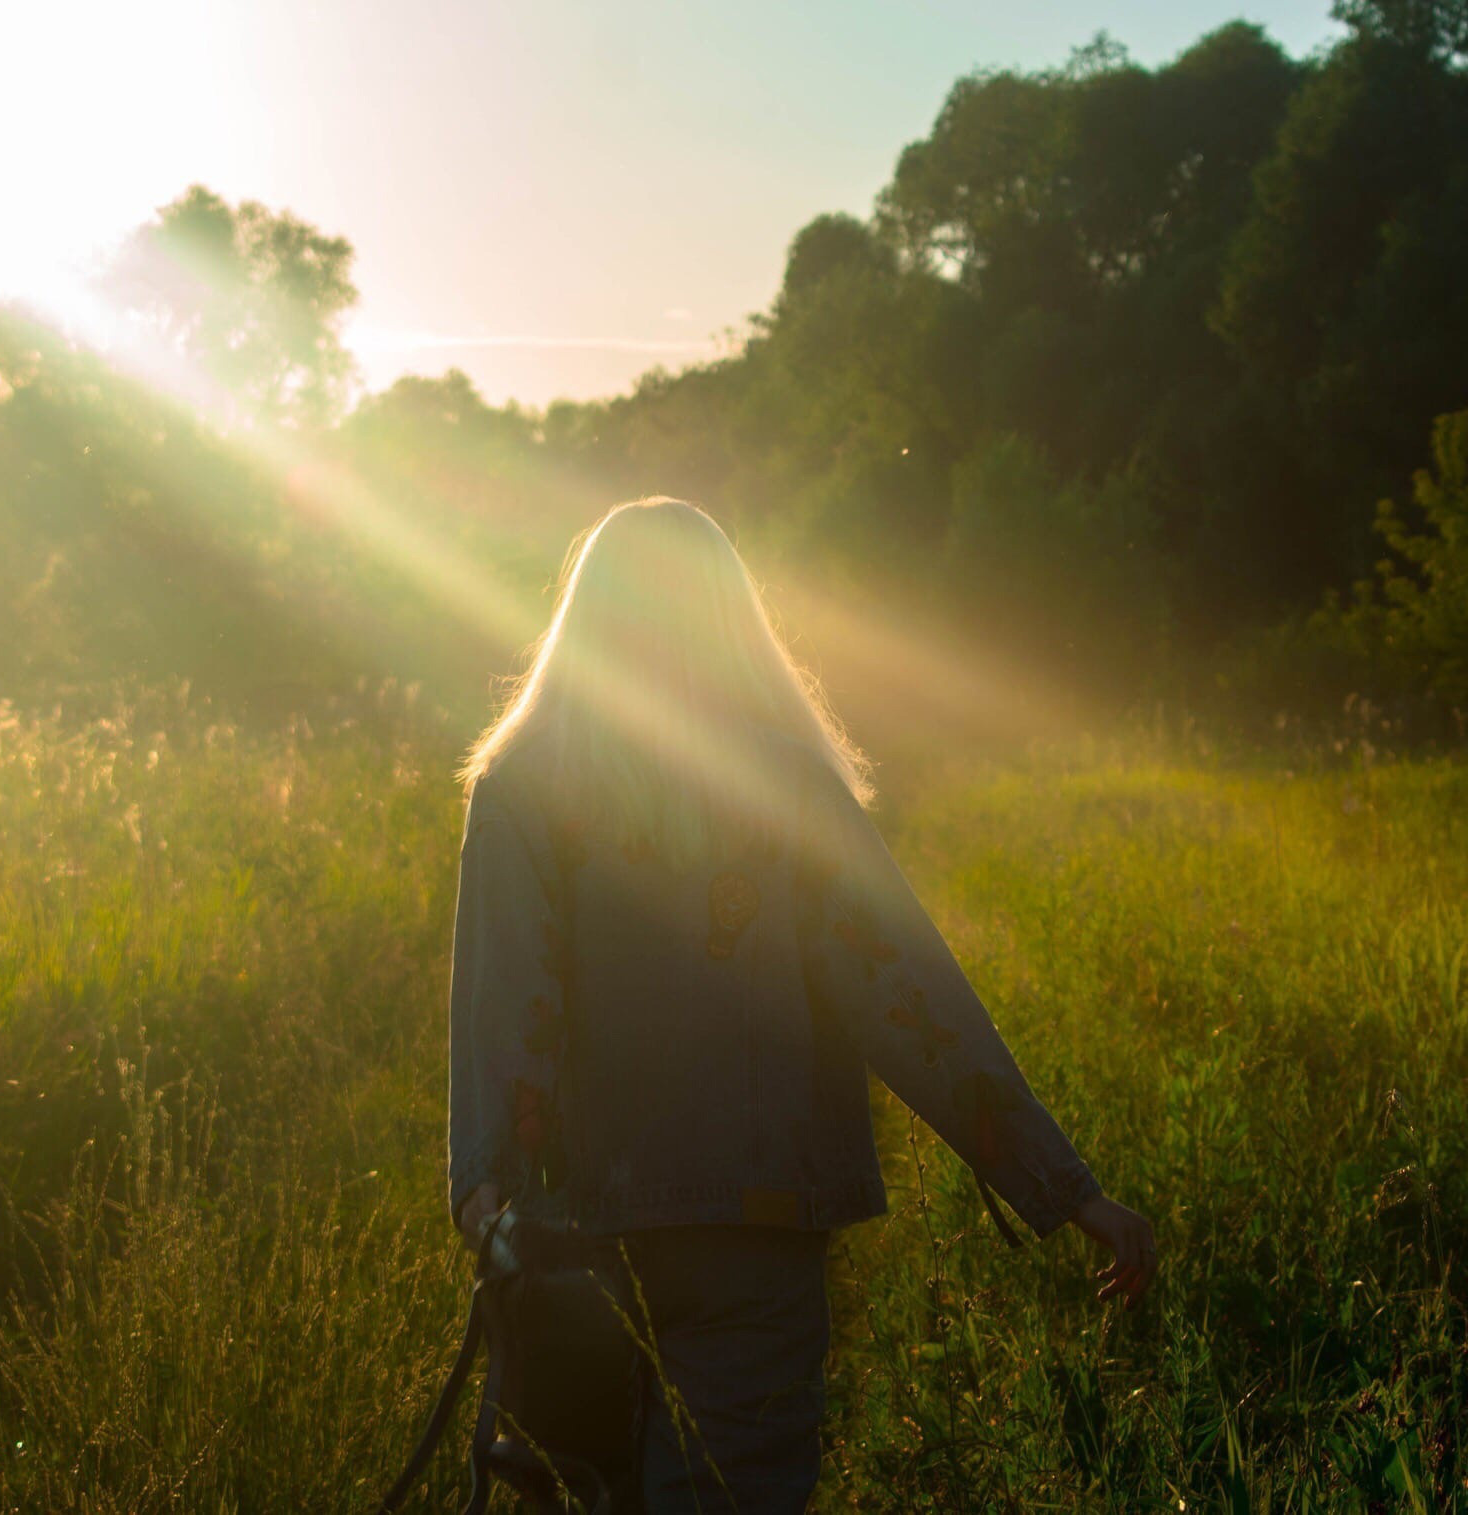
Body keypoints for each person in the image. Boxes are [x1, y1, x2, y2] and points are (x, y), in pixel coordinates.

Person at [448, 496, 1153, 1513]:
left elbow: (504, 1016)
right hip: (753, 1238)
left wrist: (490, 1208)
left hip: (567, 1251)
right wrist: (1066, 1190)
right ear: (733, 620)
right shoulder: (785, 787)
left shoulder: (518, 786)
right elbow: (905, 997)